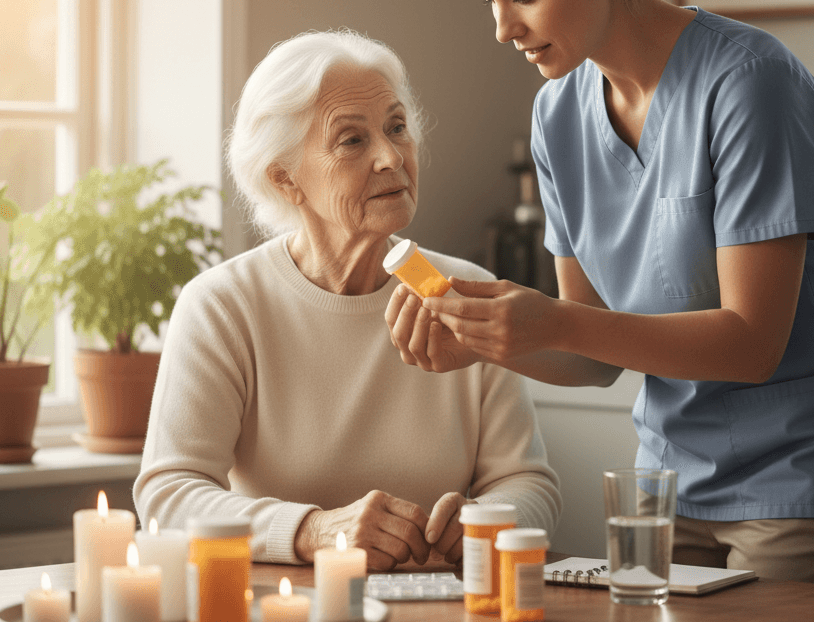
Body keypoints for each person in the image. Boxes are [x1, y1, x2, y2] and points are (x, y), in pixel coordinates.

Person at [387, 0, 814, 591]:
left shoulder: (751, 85)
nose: (502, 29)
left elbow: (751, 342)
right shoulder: (557, 116)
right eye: (488, 1)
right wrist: (486, 339)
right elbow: (594, 354)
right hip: (669, 482)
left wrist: (551, 321)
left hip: (803, 475)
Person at [134, 30, 560, 569]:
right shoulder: (222, 306)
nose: (391, 157)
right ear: (285, 178)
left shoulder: (466, 293)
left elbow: (529, 482)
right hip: (290, 620)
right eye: (352, 140)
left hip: (446, 618)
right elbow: (168, 494)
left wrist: (492, 519)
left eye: (397, 127)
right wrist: (312, 530)